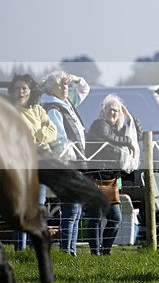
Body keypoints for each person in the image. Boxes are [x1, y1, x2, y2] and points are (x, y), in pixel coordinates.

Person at [40, 70, 91, 256]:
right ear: (51, 88)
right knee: (71, 209)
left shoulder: (66, 102)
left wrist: (76, 78)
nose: (65, 87)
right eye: (61, 84)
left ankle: (71, 250)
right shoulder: (53, 107)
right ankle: (66, 251)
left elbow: (85, 89)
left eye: (66, 84)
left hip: (76, 161)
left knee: (76, 210)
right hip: (68, 162)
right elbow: (59, 140)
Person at [85, 94, 141, 255]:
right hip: (96, 177)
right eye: (110, 109)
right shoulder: (99, 124)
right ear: (103, 111)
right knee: (95, 217)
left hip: (111, 179)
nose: (113, 113)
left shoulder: (118, 128)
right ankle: (95, 253)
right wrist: (127, 142)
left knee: (115, 218)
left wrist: (129, 116)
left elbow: (137, 132)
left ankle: (105, 251)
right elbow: (108, 137)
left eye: (116, 111)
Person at [10, 74, 57, 251]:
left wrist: (39, 135)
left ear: (31, 91)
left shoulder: (38, 110)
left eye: (24, 88)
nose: (20, 92)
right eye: (17, 88)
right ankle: (19, 249)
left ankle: (34, 249)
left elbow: (52, 130)